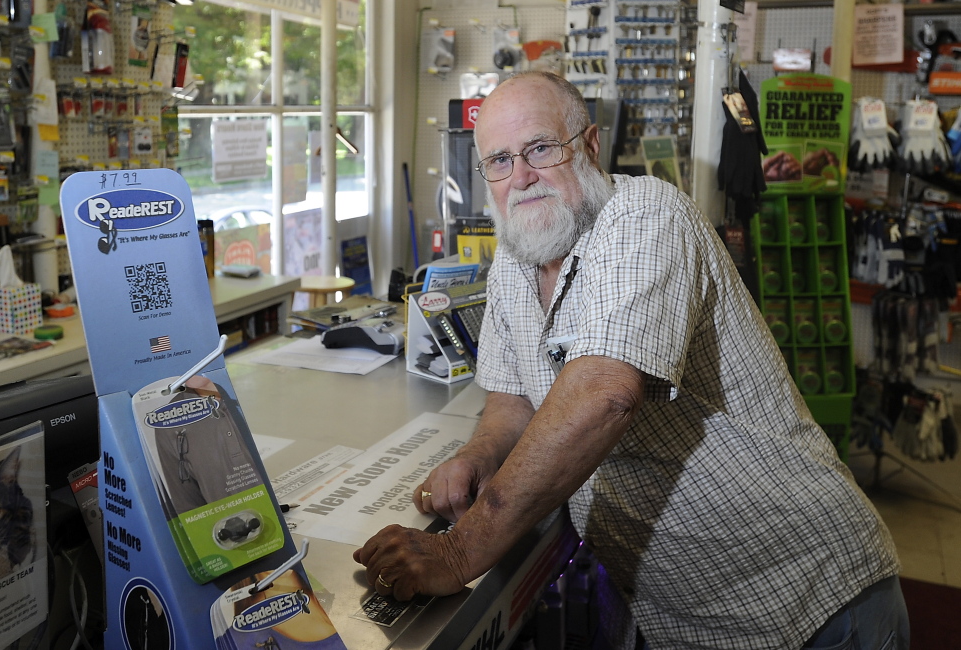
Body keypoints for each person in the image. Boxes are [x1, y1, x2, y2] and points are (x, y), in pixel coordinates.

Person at [353, 71, 907, 649]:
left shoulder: (643, 214)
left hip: (808, 601)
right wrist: (478, 453)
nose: (521, 176)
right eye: (498, 160)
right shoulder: (518, 257)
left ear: (590, 146)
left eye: (541, 149)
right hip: (693, 616)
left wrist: (458, 549)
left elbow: (604, 393)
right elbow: (512, 396)